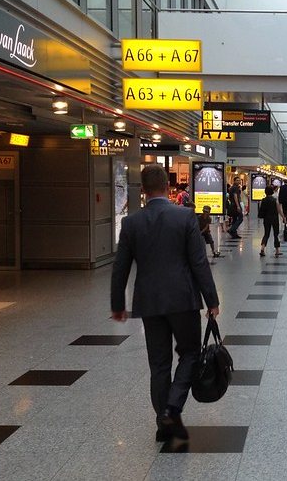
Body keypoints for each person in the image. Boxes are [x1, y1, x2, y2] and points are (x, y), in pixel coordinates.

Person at [111, 164, 220, 443]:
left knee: (159, 363)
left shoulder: (131, 223)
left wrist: (117, 304)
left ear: (143, 190)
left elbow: (120, 267)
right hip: (183, 300)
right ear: (167, 188)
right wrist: (212, 300)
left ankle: (163, 421)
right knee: (190, 353)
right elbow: (199, 262)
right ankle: (172, 409)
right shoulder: (185, 217)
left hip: (149, 302)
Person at [258, 186, 285, 257]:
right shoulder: (275, 200)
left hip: (266, 219)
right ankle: (277, 251)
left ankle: (262, 249)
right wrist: (283, 217)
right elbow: (279, 210)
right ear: (272, 192)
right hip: (274, 218)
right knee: (276, 234)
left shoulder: (263, 200)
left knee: (266, 234)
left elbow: (261, 210)